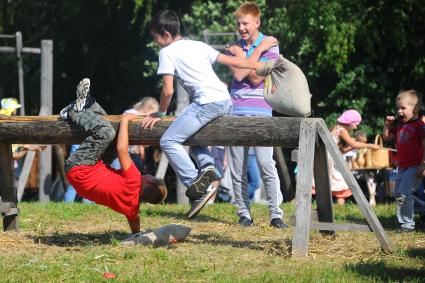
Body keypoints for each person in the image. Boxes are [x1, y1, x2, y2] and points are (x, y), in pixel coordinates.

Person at [141, 9, 277, 219]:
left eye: (156, 38)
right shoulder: (198, 45)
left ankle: (197, 187)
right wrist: (259, 62)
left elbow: (167, 90)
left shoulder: (167, 53)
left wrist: (160, 112)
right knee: (194, 137)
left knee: (168, 140)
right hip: (225, 101)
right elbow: (235, 62)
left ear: (166, 35)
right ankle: (207, 167)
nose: (157, 43)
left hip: (206, 104)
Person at [60, 78, 167, 234]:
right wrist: (137, 235)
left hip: (80, 166)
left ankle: (72, 112)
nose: (149, 174)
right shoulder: (132, 207)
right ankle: (88, 105)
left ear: (150, 182)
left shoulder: (135, 180)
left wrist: (124, 120)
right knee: (110, 129)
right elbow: (135, 221)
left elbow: (123, 149)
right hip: (81, 175)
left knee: (106, 132)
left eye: (151, 176)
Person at [223, 2, 286, 228]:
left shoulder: (272, 46)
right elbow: (241, 75)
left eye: (245, 23)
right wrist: (257, 53)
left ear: (257, 23)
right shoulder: (235, 48)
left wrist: (249, 59)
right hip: (237, 112)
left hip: (262, 112)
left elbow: (259, 78)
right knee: (237, 168)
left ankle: (275, 214)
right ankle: (243, 213)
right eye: (238, 23)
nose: (241, 28)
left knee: (266, 165)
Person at [383, 90, 425, 232]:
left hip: (415, 167)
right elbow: (386, 138)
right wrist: (387, 125)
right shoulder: (400, 124)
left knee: (403, 194)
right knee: (398, 195)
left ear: (416, 108)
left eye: (403, 108)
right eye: (398, 108)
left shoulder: (420, 126)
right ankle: (422, 209)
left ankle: (407, 225)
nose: (399, 111)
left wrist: (423, 165)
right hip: (402, 167)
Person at [329, 109, 380, 205]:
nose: (356, 127)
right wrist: (370, 145)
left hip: (330, 159)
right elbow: (354, 144)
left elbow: (341, 150)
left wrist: (351, 148)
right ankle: (340, 211)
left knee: (337, 184)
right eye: (355, 124)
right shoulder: (342, 129)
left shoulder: (335, 128)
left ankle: (338, 210)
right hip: (332, 162)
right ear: (349, 122)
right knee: (341, 184)